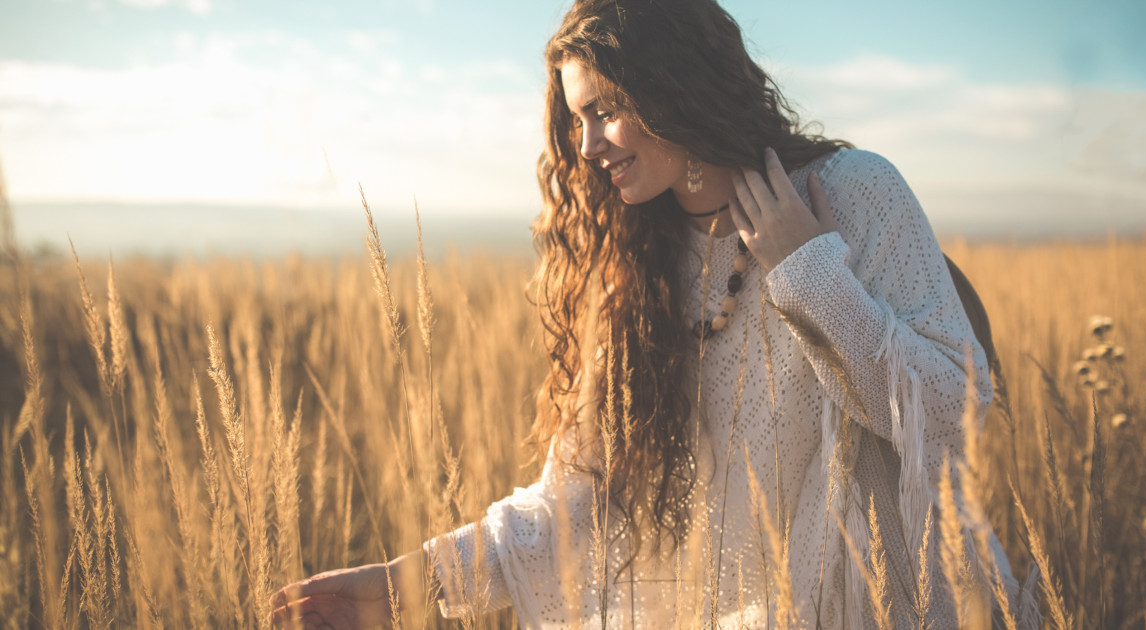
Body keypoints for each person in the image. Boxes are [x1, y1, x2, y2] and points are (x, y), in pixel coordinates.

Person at [271, 0, 1038, 627]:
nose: (587, 145)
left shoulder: (854, 193)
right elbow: (580, 498)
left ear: (672, 86)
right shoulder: (640, 273)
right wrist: (419, 580)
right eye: (576, 120)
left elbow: (954, 414)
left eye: (603, 111)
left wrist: (807, 267)